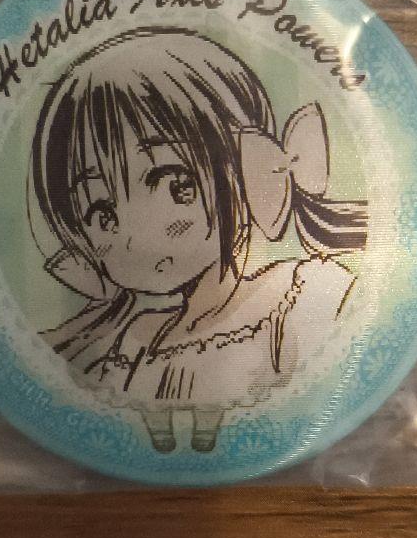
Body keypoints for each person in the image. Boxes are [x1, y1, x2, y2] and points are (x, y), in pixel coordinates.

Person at [31, 27, 366, 453]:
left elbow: (331, 391)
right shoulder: (127, 341)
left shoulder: (300, 299)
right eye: (102, 213)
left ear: (248, 170)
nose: (134, 239)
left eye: (178, 185)